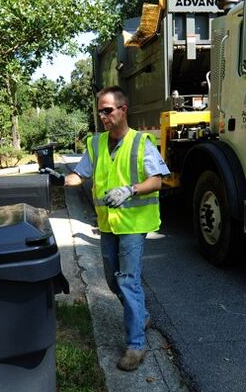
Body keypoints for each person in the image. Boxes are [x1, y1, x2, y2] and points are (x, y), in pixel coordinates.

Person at [64, 86, 170, 371]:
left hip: (134, 224)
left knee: (128, 281)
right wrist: (63, 177)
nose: (103, 116)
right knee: (113, 281)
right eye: (100, 111)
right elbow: (80, 173)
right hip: (108, 223)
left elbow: (157, 181)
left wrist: (130, 190)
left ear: (123, 110)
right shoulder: (96, 143)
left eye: (108, 110)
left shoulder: (141, 142)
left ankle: (136, 346)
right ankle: (142, 314)